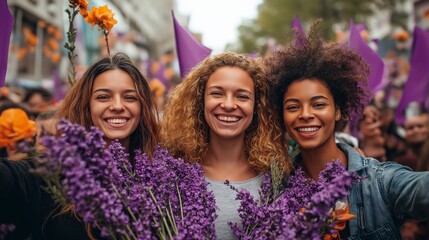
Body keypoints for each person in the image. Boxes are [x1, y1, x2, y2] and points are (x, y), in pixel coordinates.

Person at [265, 27, 429, 239]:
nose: (305, 114)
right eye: (293, 107)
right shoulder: (273, 190)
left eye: (318, 104)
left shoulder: (379, 182)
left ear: (338, 110)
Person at [0, 52, 159, 239]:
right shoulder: (45, 175)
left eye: (130, 98)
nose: (117, 105)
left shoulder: (161, 179)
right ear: (86, 105)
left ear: (142, 108)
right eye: (103, 97)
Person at [160, 52, 290, 239]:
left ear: (257, 106)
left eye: (242, 96)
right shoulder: (171, 174)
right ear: (200, 101)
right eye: (217, 93)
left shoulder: (276, 179)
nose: (228, 104)